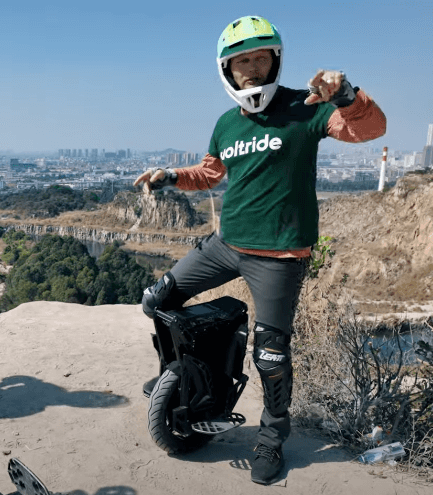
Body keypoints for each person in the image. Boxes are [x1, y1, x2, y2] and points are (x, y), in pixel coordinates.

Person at [134, 16, 385, 485]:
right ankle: (182, 379)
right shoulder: (227, 123)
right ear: (227, 71)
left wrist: (346, 92)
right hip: (225, 245)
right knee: (158, 300)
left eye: (259, 58)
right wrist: (168, 176)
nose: (250, 68)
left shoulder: (306, 107)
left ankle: (271, 439)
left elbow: (368, 130)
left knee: (270, 354)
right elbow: (209, 174)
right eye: (241, 61)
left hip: (280, 257)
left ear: (275, 60)